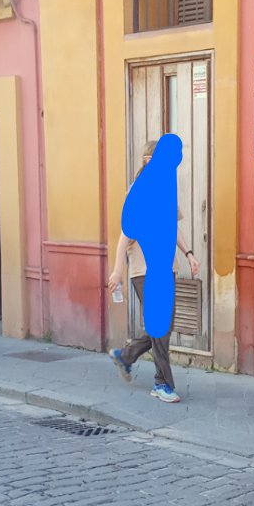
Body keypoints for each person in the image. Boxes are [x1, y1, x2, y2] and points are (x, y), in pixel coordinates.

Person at [107, 139, 200, 403]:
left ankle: (125, 356)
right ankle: (162, 383)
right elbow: (125, 236)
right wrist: (117, 272)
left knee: (164, 326)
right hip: (144, 269)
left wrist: (189, 254)